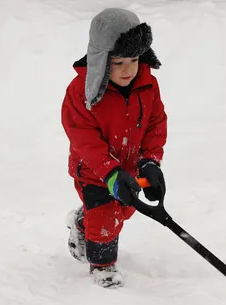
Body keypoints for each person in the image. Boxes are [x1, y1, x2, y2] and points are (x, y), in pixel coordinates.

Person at [61, 8, 167, 288]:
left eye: (133, 60)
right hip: (94, 172)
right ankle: (103, 266)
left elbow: (156, 123)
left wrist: (150, 163)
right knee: (105, 216)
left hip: (131, 168)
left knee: (123, 210)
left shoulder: (147, 84)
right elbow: (83, 138)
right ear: (101, 60)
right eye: (119, 62)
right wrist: (110, 172)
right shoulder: (82, 92)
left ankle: (83, 222)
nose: (128, 69)